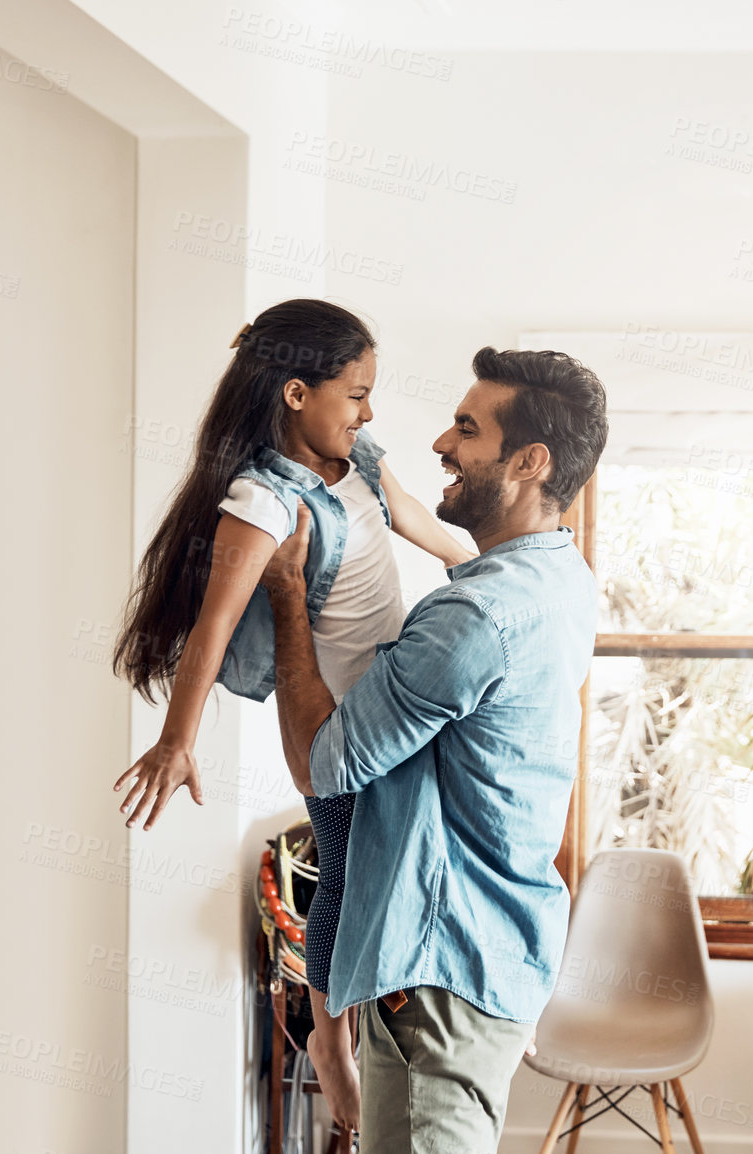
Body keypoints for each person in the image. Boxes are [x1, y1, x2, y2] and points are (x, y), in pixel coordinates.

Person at [108, 299, 474, 1133]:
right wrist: (176, 741)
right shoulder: (263, 501)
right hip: (340, 726)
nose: (371, 411)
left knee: (430, 846)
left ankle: (456, 1003)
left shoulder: (361, 460)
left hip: (399, 696)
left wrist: (491, 569)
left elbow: (415, 519)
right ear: (299, 393)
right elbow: (213, 625)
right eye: (357, 393)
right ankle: (333, 1049)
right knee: (344, 870)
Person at [256, 346, 607, 1153]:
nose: (444, 443)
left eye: (465, 429)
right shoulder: (556, 577)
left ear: (528, 460)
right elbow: (438, 535)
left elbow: (322, 766)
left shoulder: (474, 618)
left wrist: (285, 597)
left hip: (436, 972)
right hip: (495, 955)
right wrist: (360, 455)